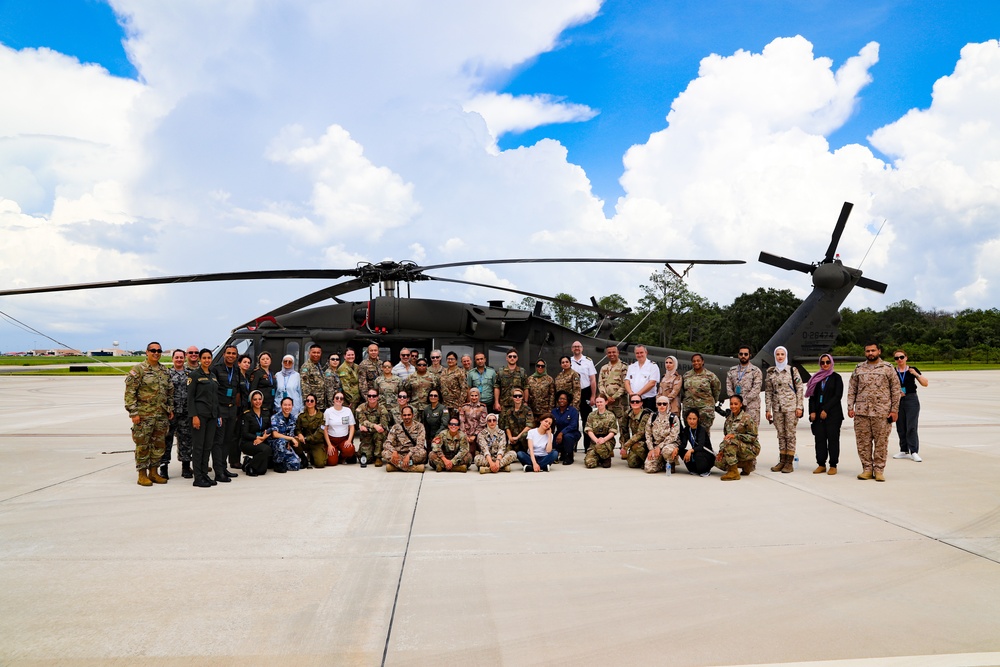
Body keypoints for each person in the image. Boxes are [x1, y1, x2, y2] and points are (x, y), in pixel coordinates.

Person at [848, 342, 901, 482]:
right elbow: (852, 388)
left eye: (873, 350)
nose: (870, 353)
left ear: (879, 351)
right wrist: (850, 407)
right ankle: (866, 469)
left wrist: (894, 410)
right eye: (867, 351)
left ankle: (879, 470)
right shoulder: (859, 368)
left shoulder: (888, 368)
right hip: (862, 412)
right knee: (863, 443)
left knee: (881, 442)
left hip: (882, 412)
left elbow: (895, 390)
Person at [124, 341, 173, 486]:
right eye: (153, 350)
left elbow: (170, 391)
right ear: (147, 352)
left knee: (159, 445)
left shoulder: (164, 371)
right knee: (143, 445)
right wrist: (133, 413)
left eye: (158, 350)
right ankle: (142, 474)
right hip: (144, 416)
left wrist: (170, 409)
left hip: (161, 416)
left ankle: (154, 472)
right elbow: (130, 393)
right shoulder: (138, 370)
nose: (156, 353)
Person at [765, 345, 804, 474]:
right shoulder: (771, 373)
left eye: (782, 354)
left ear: (786, 356)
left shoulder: (792, 371)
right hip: (777, 408)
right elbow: (768, 392)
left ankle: (789, 462)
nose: (780, 357)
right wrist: (768, 409)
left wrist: (799, 407)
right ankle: (782, 460)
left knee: (790, 434)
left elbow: (799, 389)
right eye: (778, 354)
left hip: (791, 408)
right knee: (781, 434)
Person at [806, 353, 844, 474]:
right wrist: (812, 411)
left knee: (833, 439)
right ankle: (821, 464)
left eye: (828, 362)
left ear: (831, 362)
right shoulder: (816, 378)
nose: (825, 364)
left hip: (833, 414)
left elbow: (837, 395)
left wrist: (826, 409)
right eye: (823, 362)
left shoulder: (836, 377)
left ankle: (833, 464)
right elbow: (812, 397)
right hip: (818, 415)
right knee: (820, 439)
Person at [187, 349, 219, 487]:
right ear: (200, 359)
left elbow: (215, 397)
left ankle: (205, 474)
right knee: (198, 447)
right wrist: (194, 416)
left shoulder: (212, 376)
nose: (207, 360)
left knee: (207, 447)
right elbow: (190, 398)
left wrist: (217, 415)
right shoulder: (194, 375)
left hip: (211, 416)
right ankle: (198, 477)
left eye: (209, 357)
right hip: (199, 415)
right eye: (204, 358)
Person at [160, 349, 192, 480]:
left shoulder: (190, 374)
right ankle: (163, 467)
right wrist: (168, 409)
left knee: (186, 441)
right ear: (172, 359)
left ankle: (185, 467)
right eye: (176, 357)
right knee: (166, 441)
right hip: (171, 413)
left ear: (184, 358)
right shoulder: (166, 374)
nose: (179, 359)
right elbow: (162, 394)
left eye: (181, 357)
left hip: (185, 413)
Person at [892, 349, 929, 462]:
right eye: (896, 358)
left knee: (911, 426)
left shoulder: (912, 370)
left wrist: (916, 374)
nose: (899, 360)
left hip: (911, 399)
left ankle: (914, 451)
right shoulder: (893, 371)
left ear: (906, 358)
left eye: (901, 357)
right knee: (901, 426)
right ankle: (904, 450)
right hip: (898, 400)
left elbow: (925, 383)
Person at [212, 344, 242, 480]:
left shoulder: (236, 370)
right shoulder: (216, 369)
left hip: (232, 409)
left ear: (236, 356)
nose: (231, 356)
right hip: (220, 408)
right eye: (228, 353)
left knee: (228, 440)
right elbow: (213, 392)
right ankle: (218, 472)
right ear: (224, 354)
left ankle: (224, 468)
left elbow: (238, 391)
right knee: (219, 441)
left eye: (233, 354)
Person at [716, 394, 761, 481]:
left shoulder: (747, 418)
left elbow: (753, 437)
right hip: (735, 447)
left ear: (741, 404)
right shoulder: (728, 420)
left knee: (731, 443)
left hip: (751, 448)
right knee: (718, 462)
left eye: (736, 404)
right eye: (731, 404)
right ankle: (745, 464)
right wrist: (721, 451)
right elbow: (726, 438)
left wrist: (736, 436)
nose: (733, 406)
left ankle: (734, 473)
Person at [682, 353, 721, 433]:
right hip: (689, 408)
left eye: (698, 361)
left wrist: (712, 402)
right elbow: (683, 389)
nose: (696, 363)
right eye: (694, 361)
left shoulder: (710, 376)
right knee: (690, 432)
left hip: (705, 409)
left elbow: (716, 389)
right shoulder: (686, 375)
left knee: (704, 433)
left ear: (702, 362)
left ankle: (704, 446)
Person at [726, 345, 764, 426]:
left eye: (746, 354)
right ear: (738, 355)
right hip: (736, 408)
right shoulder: (732, 371)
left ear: (750, 355)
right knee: (736, 432)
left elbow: (756, 389)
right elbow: (729, 387)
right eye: (741, 354)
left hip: (751, 407)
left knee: (752, 433)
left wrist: (743, 402)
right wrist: (735, 402)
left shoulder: (756, 371)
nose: (743, 356)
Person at [382, 405, 427, 472]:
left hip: (412, 454)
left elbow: (420, 445)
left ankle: (396, 466)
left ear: (413, 415)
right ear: (401, 416)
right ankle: (413, 468)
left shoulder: (419, 426)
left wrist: (408, 455)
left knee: (422, 453)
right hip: (398, 453)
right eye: (404, 415)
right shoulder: (396, 427)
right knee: (384, 453)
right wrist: (394, 451)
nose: (407, 417)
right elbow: (387, 443)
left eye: (409, 415)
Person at [240, 390, 273, 477]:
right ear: (251, 401)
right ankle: (250, 467)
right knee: (266, 449)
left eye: (259, 399)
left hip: (262, 440)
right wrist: (257, 438)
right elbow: (245, 433)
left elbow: (270, 428)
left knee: (262, 471)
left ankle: (248, 462)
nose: (258, 402)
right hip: (248, 442)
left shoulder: (266, 412)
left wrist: (263, 438)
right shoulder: (247, 414)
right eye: (255, 399)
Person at [643, 398, 680, 474]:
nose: (662, 406)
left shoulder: (673, 418)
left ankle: (670, 463)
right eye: (659, 404)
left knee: (667, 450)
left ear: (668, 405)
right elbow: (648, 434)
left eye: (664, 404)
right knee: (649, 468)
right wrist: (651, 449)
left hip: (669, 444)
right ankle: (661, 463)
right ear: (657, 405)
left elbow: (673, 436)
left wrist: (659, 447)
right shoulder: (653, 416)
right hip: (655, 446)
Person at [356, 389, 390, 466]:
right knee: (366, 459)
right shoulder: (361, 407)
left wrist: (368, 428)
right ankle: (369, 452)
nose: (371, 397)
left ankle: (378, 457)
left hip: (378, 434)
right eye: (369, 396)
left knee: (380, 433)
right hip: (366, 435)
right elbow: (362, 421)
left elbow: (383, 425)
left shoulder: (382, 409)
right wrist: (374, 426)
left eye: (374, 396)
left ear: (377, 397)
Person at [584, 394, 618, 469]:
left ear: (606, 402)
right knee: (589, 463)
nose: (599, 404)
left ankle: (606, 458)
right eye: (597, 402)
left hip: (607, 440)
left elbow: (613, 431)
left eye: (601, 402)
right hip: (595, 440)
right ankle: (599, 457)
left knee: (600, 447)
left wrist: (604, 439)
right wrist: (596, 440)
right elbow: (589, 429)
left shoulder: (611, 415)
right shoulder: (591, 415)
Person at [323, 391, 356, 465]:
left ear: (343, 401)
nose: (339, 400)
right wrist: (329, 445)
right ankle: (335, 456)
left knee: (350, 450)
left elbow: (352, 426)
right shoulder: (328, 411)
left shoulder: (348, 411)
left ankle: (342, 458)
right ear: (333, 400)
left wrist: (349, 440)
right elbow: (325, 429)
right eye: (337, 398)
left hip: (343, 439)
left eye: (341, 398)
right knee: (332, 462)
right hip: (332, 440)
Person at [678, 409, 714, 476]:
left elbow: (700, 446)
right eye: (690, 419)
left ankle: (705, 470)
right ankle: (693, 469)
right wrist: (677, 449)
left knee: (697, 454)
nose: (692, 421)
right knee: (681, 451)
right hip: (696, 452)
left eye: (694, 419)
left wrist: (690, 451)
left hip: (706, 454)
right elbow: (683, 444)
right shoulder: (686, 429)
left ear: (698, 419)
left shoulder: (701, 430)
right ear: (686, 419)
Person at [620, 394, 653, 469]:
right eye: (632, 401)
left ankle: (649, 461)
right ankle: (641, 460)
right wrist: (623, 445)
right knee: (632, 463)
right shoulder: (628, 413)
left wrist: (626, 446)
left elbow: (640, 433)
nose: (635, 403)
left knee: (636, 446)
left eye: (637, 401)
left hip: (648, 441)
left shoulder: (645, 414)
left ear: (641, 403)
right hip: (635, 441)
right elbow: (624, 430)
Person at [570, 341, 598, 429]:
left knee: (587, 420)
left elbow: (593, 379)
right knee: (572, 419)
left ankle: (587, 443)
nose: (576, 348)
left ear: (582, 348)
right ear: (572, 349)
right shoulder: (568, 361)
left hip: (585, 391)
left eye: (578, 346)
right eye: (574, 346)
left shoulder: (588, 361)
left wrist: (593, 396)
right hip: (573, 393)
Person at [625, 345, 661, 412]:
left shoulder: (653, 366)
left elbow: (652, 383)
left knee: (648, 420)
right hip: (634, 400)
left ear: (646, 353)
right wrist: (630, 393)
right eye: (637, 353)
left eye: (641, 352)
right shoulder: (631, 366)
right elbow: (627, 381)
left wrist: (638, 394)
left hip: (648, 400)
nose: (639, 355)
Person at [269, 397, 301, 472]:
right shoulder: (275, 417)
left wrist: (293, 438)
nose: (287, 407)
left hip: (286, 445)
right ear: (281, 406)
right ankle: (278, 463)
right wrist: (291, 439)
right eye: (285, 405)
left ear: (292, 406)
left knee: (296, 465)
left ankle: (272, 463)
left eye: (289, 405)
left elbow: (291, 433)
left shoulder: (293, 418)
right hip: (275, 445)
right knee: (281, 441)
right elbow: (275, 434)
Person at [598, 344, 627, 424]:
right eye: (609, 352)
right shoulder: (604, 368)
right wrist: (607, 397)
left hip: (620, 402)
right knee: (607, 425)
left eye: (614, 352)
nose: (612, 354)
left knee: (623, 426)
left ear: (618, 353)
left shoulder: (624, 367)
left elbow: (625, 385)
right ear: (607, 354)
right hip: (607, 402)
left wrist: (613, 397)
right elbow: (600, 384)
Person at [295, 394, 326, 468]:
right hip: (305, 442)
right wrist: (299, 434)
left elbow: (320, 432)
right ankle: (303, 457)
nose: (309, 402)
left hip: (316, 443)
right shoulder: (301, 416)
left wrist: (306, 438)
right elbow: (297, 428)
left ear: (315, 403)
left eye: (312, 401)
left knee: (320, 464)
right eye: (307, 401)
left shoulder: (321, 416)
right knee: (295, 441)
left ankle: (312, 455)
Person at [551, 390, 581, 465]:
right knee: (552, 440)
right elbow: (551, 424)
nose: (562, 400)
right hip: (559, 433)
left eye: (564, 399)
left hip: (572, 433)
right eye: (560, 398)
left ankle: (569, 456)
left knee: (567, 437)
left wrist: (562, 433)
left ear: (568, 400)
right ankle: (561, 453)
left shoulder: (573, 411)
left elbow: (573, 425)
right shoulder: (554, 411)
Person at [459, 387, 488, 463]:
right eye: (472, 395)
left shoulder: (483, 407)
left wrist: (474, 435)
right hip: (466, 433)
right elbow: (462, 422)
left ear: (479, 396)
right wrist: (465, 435)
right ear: (469, 396)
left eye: (476, 395)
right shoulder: (464, 407)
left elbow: (482, 423)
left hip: (478, 433)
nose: (474, 397)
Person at [300, 344, 327, 413]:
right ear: (309, 353)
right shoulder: (306, 367)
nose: (316, 355)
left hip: (321, 403)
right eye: (314, 352)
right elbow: (305, 386)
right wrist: (309, 403)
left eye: (318, 353)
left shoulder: (318, 365)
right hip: (313, 404)